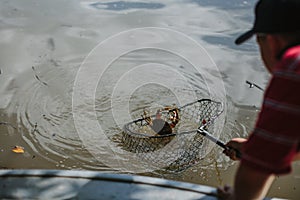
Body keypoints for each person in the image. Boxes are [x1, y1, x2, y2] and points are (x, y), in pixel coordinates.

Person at [218, 0, 300, 199]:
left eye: (259, 43)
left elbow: (254, 176)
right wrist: (253, 148)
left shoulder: (293, 68)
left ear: (272, 42)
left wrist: (237, 195)